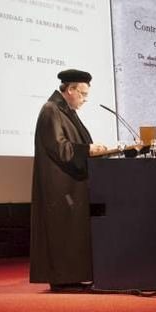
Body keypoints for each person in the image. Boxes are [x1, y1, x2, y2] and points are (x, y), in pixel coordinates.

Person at [29, 69, 107, 291]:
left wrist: (95, 151)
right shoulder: (51, 110)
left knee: (73, 233)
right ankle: (63, 280)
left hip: (71, 184)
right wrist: (88, 150)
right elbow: (59, 148)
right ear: (70, 89)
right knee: (63, 233)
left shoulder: (65, 111)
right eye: (82, 94)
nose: (84, 100)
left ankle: (73, 276)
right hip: (60, 186)